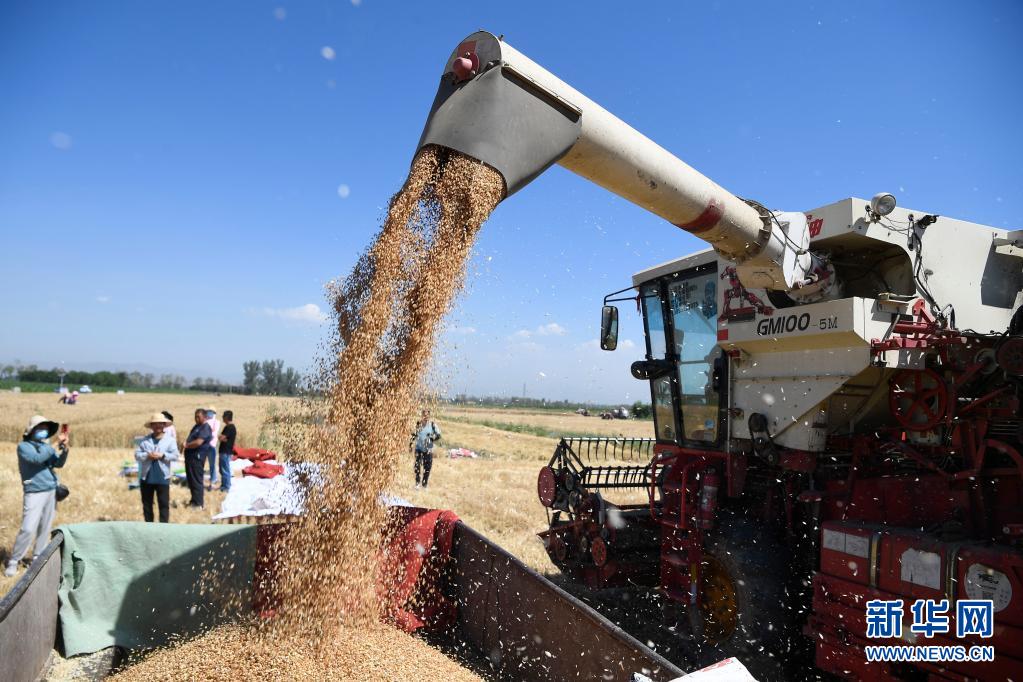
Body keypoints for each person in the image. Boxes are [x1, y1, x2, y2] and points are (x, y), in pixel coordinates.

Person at [4, 415, 69, 577]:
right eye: (40, 427)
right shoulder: (24, 446)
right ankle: (14, 561)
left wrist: (65, 450)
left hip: (50, 490)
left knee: (44, 527)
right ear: (31, 430)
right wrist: (54, 445)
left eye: (46, 428)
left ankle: (37, 557)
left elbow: (58, 463)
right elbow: (36, 458)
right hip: (34, 491)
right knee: (27, 528)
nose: (44, 431)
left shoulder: (45, 446)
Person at [134, 413, 179, 523]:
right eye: (155, 424)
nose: (158, 426)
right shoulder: (145, 440)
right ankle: (149, 526)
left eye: (160, 424)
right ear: (151, 426)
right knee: (147, 504)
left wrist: (163, 455)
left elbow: (175, 456)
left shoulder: (170, 440)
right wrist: (147, 455)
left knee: (163, 504)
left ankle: (163, 527)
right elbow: (137, 455)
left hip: (162, 477)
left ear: (164, 425)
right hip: (146, 477)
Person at [182, 409, 213, 509]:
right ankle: (193, 501)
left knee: (196, 480)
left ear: (205, 417)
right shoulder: (196, 427)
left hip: (197, 457)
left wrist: (187, 445)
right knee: (191, 480)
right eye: (195, 416)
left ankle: (199, 503)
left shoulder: (205, 428)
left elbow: (199, 442)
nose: (196, 418)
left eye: (198, 417)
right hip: (190, 457)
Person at [412, 410, 441, 489]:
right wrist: (410, 444)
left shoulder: (432, 425)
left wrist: (432, 438)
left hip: (428, 449)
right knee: (417, 466)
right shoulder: (418, 424)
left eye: (427, 416)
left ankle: (424, 484)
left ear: (429, 416)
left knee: (427, 467)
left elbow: (438, 435)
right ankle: (417, 483)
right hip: (418, 448)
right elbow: (414, 435)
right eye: (424, 415)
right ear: (422, 416)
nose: (426, 417)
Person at [217, 410, 236, 493]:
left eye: (223, 416)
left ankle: (226, 487)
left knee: (225, 470)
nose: (222, 418)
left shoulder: (230, 428)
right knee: (222, 470)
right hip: (224, 451)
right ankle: (223, 485)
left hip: (225, 451)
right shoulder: (228, 427)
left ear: (227, 417)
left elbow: (221, 437)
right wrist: (222, 438)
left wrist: (221, 437)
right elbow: (222, 438)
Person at [204, 406, 220, 490]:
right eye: (208, 411)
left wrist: (206, 435)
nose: (209, 413)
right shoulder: (205, 421)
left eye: (211, 411)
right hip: (204, 444)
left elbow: (214, 433)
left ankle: (213, 479)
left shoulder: (216, 422)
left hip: (212, 445)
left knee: (212, 464)